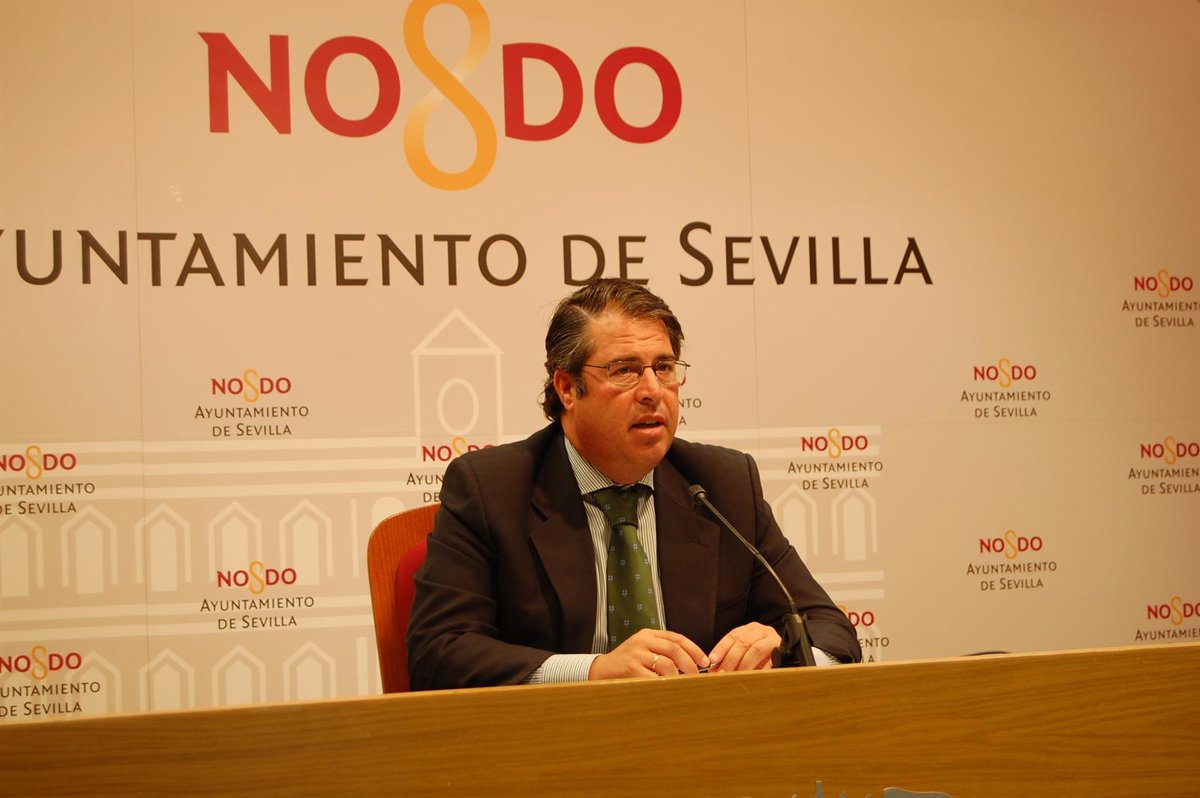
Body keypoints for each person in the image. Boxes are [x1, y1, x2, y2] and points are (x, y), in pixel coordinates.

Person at [406, 279, 860, 690]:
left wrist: (783, 653)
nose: (652, 390)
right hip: (554, 742)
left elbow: (831, 630)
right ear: (567, 388)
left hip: (702, 740)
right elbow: (439, 651)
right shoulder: (492, 490)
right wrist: (593, 670)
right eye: (624, 370)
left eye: (664, 368)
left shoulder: (722, 485)